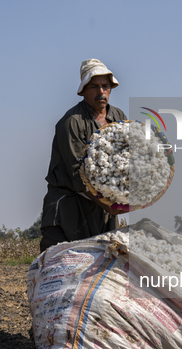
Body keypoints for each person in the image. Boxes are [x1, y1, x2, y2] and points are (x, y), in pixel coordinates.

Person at [40, 59, 127, 252]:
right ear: (83, 90)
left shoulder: (118, 117)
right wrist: (110, 204)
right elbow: (78, 174)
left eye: (105, 86)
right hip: (69, 207)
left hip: (101, 207)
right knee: (61, 264)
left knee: (103, 267)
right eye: (94, 87)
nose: (101, 92)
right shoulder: (72, 122)